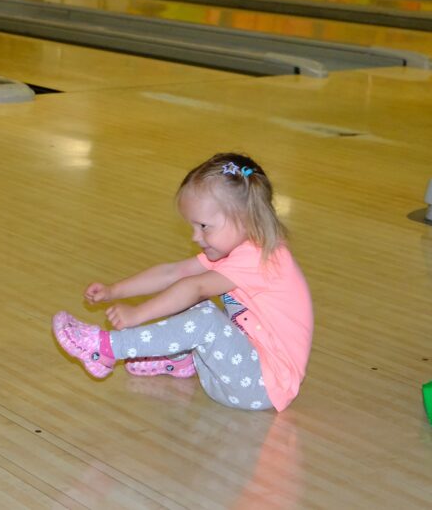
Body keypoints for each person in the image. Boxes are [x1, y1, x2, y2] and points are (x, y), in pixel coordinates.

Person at [52, 153, 312, 411]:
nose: (195, 237)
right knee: (192, 302)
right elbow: (173, 273)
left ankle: (107, 349)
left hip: (261, 386)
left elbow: (194, 287)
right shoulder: (236, 247)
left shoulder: (261, 257)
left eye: (203, 226)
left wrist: (137, 314)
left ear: (245, 219)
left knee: (203, 313)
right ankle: (180, 361)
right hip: (231, 373)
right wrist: (114, 290)